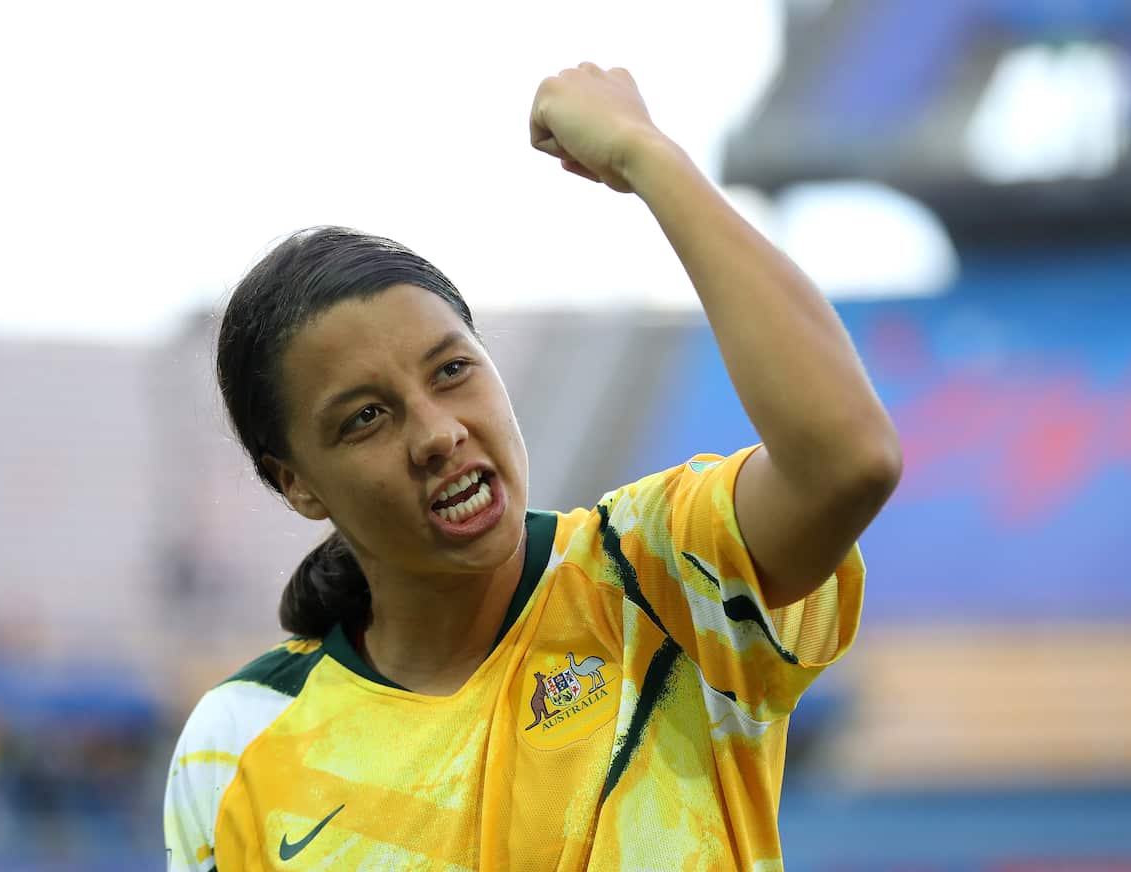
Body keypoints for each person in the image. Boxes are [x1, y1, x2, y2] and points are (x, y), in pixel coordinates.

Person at [163, 62, 901, 871]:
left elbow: (848, 461)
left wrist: (647, 156)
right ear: (295, 481)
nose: (438, 433)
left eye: (452, 370)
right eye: (366, 417)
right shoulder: (237, 741)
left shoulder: (652, 578)